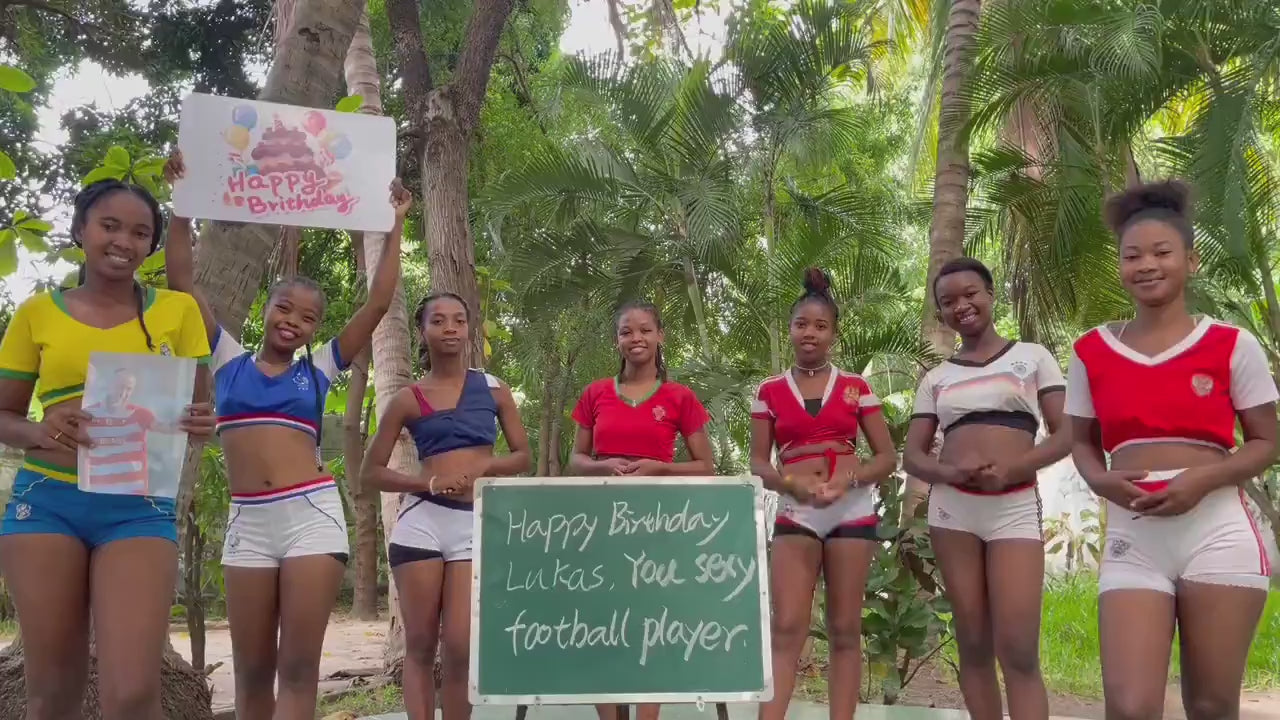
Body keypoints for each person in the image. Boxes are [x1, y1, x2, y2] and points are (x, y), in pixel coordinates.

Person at [163, 151, 412, 720]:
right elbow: (182, 282)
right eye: (284, 308)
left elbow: (377, 303)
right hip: (248, 524)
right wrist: (181, 202)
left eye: (306, 318)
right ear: (268, 309)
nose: (292, 322)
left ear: (315, 328)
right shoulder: (227, 359)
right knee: (252, 675)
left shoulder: (318, 369)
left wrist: (396, 222)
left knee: (298, 671)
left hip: (310, 518)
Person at [0, 178, 215, 720]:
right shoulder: (36, 313)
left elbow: (198, 409)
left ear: (151, 245)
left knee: (133, 695)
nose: (124, 241)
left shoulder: (178, 312)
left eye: (140, 232)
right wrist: (42, 429)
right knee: (53, 694)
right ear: (81, 230)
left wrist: (201, 421)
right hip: (47, 505)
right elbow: (4, 416)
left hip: (137, 509)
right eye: (110, 226)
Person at [1066, 181, 1277, 720]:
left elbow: (1267, 442)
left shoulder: (1232, 344)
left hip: (1218, 531)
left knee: (1210, 704)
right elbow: (1081, 442)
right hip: (1134, 537)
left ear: (1191, 261)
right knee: (1130, 707)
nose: (1147, 265)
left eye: (1162, 252)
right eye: (1132, 255)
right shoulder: (1091, 351)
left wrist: (1200, 481)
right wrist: (1099, 480)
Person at [902, 257, 1070, 720]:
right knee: (973, 642)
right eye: (948, 301)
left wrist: (1016, 468)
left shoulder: (1033, 357)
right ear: (941, 312)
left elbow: (1067, 434)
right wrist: (951, 473)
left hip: (1014, 508)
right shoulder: (936, 378)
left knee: (1018, 648)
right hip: (953, 512)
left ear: (991, 295)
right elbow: (913, 455)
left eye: (971, 293)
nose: (961, 305)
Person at [360, 291, 531, 720]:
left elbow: (522, 457)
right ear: (423, 331)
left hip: (473, 523)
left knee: (459, 646)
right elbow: (370, 472)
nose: (450, 328)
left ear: (469, 328)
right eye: (438, 321)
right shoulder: (408, 398)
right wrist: (428, 482)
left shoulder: (494, 389)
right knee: (420, 644)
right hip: (422, 522)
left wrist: (485, 465)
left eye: (458, 320)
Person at [750, 268, 897, 720]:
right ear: (790, 329)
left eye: (820, 326)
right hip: (797, 510)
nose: (809, 333)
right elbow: (759, 463)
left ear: (833, 333)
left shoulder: (857, 387)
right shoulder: (769, 391)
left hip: (851, 509)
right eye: (801, 324)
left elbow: (887, 457)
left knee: (845, 629)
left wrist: (850, 481)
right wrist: (790, 484)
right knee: (787, 627)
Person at [567, 300, 716, 720]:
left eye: (645, 330)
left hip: (659, 525)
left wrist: (660, 468)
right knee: (601, 624)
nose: (636, 338)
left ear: (660, 336)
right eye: (627, 331)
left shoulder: (680, 397)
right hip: (600, 524)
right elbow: (576, 459)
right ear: (616, 340)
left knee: (652, 624)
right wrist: (602, 466)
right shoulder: (595, 393)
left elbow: (705, 467)